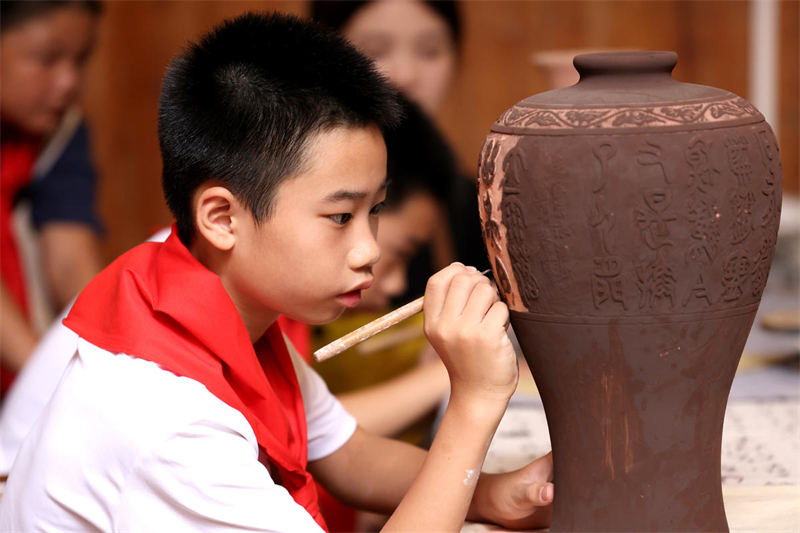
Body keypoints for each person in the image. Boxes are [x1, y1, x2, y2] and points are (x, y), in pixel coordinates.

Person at [0, 12, 552, 532]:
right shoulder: (170, 417)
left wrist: (496, 493)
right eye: (340, 216)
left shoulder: (224, 312)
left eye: (374, 211)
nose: (368, 251)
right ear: (221, 218)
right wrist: (474, 401)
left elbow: (348, 454)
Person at [311, 0, 489, 305]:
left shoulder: (476, 209)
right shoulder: (287, 191)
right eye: (375, 50)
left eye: (430, 50)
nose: (405, 76)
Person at [0, 0, 104, 391]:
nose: (68, 81)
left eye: (80, 60)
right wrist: (49, 383)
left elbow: (69, 260)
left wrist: (111, 357)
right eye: (48, 59)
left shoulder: (62, 132)